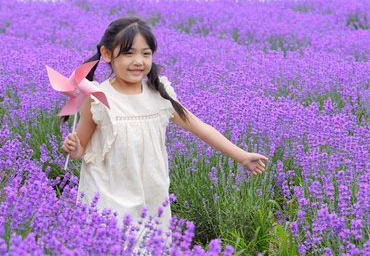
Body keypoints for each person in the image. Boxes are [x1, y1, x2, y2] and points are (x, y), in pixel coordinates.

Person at [61, 17, 267, 229]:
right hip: (107, 193)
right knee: (109, 253)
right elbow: (81, 147)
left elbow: (199, 127)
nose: (138, 61)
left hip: (151, 195)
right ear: (106, 54)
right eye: (128, 53)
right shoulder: (97, 98)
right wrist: (74, 148)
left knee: (148, 254)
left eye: (146, 53)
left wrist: (243, 157)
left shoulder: (159, 96)